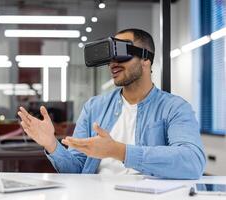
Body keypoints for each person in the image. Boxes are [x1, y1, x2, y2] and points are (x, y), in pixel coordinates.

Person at [18, 28, 206, 179]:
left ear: (145, 59)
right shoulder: (94, 107)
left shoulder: (174, 108)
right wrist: (52, 144)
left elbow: (192, 162)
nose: (112, 63)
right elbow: (76, 170)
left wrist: (119, 151)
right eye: (110, 56)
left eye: (121, 53)